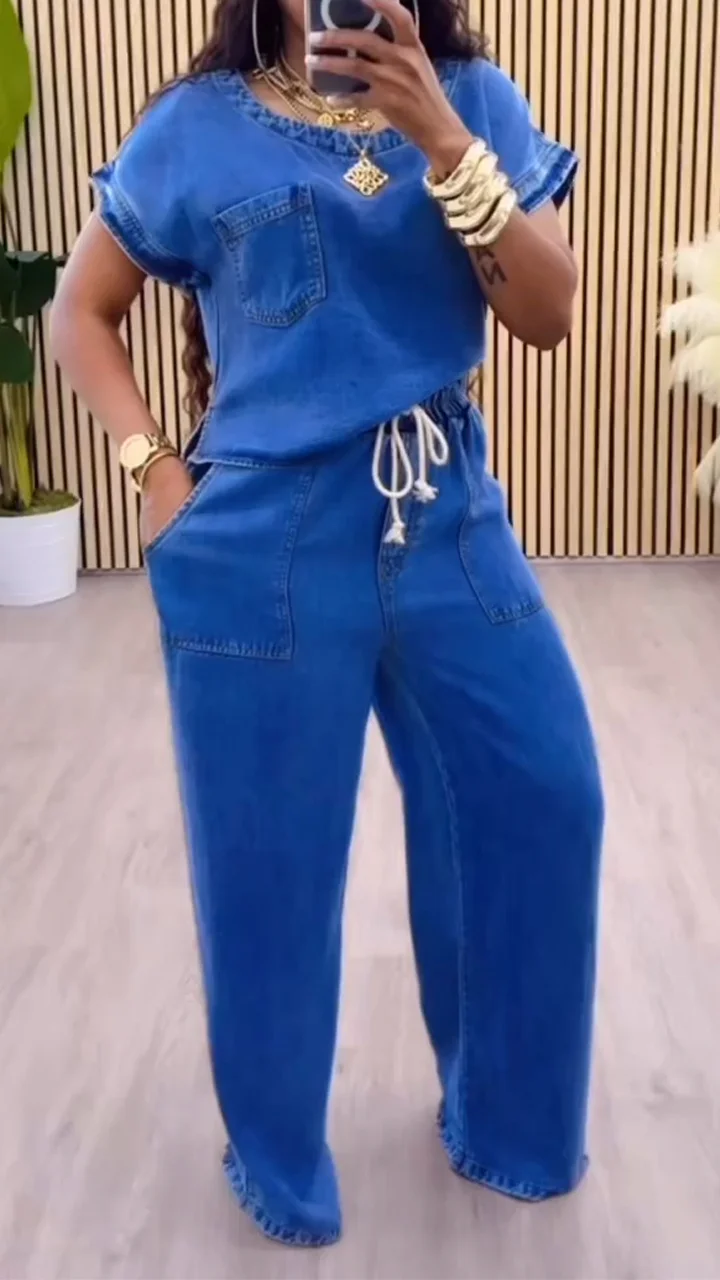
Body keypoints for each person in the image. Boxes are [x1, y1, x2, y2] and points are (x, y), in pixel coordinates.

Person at [51, 0, 604, 1248]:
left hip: (446, 510)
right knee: (269, 862)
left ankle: (513, 1121)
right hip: (261, 543)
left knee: (544, 795)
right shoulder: (192, 125)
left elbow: (549, 312)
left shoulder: (474, 95)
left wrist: (440, 135)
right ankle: (280, 1162)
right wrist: (154, 471)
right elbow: (80, 310)